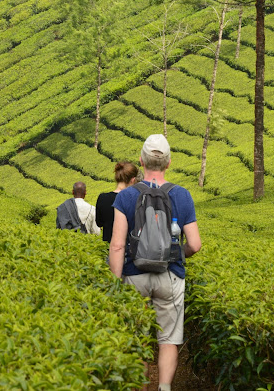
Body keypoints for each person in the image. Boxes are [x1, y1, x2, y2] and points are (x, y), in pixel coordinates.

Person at [109, 134, 201, 391]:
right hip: (170, 275)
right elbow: (194, 244)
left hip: (133, 274)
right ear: (169, 163)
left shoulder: (126, 197)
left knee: (136, 339)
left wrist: (117, 284)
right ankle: (163, 387)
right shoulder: (182, 195)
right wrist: (175, 253)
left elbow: (117, 245)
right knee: (168, 340)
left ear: (141, 160)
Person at [95, 161, 139, 243]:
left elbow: (99, 223)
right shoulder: (135, 199)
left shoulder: (103, 198)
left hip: (108, 247)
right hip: (129, 247)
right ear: (133, 180)